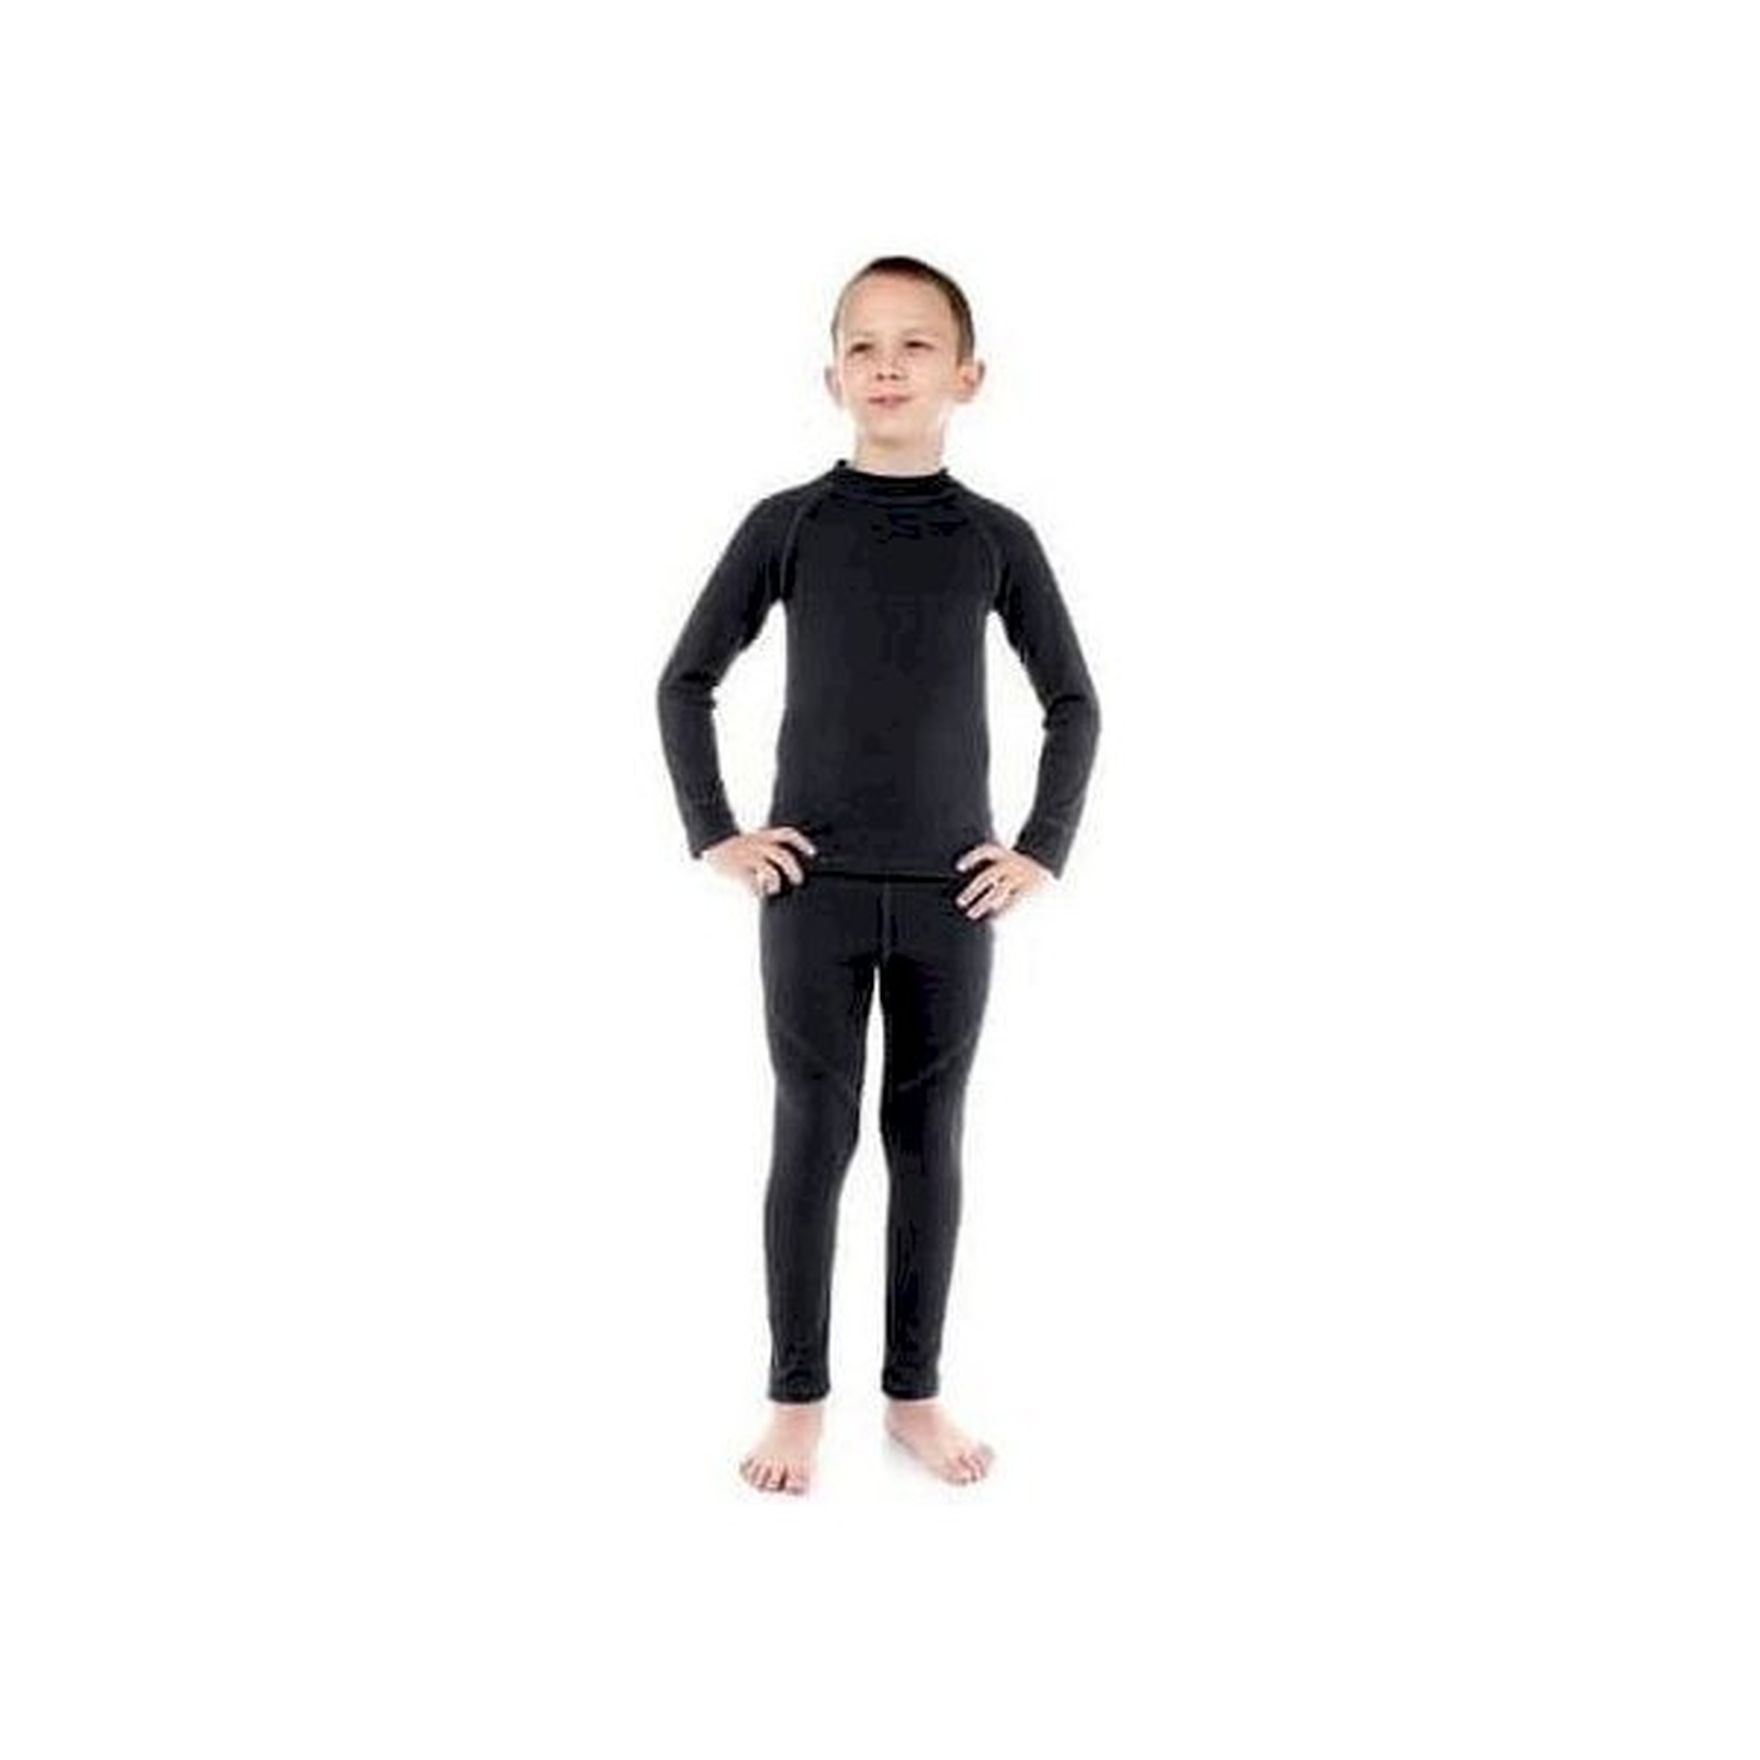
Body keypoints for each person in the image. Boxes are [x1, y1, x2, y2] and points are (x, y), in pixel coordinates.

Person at [655, 255, 1101, 1493]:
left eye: (915, 345)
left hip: (956, 893)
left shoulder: (994, 537)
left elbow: (1073, 701)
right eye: (862, 345)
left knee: (924, 1137)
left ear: (967, 376)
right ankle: (795, 1398)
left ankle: (912, 1389)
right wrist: (717, 830)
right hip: (812, 889)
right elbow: (684, 680)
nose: (887, 366)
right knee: (812, 1132)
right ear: (831, 376)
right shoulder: (788, 524)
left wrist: (1039, 847)